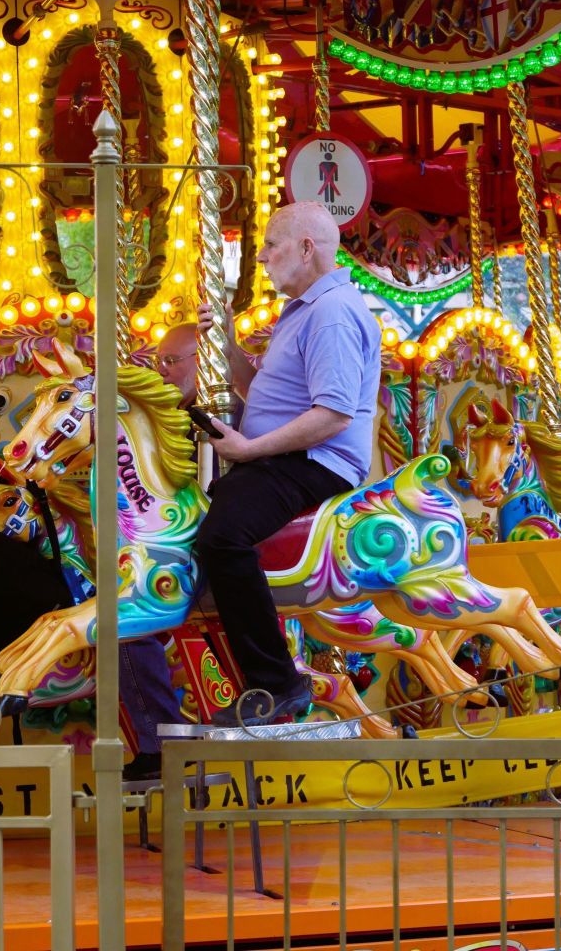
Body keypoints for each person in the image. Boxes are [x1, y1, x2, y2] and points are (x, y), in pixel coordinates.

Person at [195, 201, 381, 727]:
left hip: (312, 461)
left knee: (220, 538)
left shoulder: (332, 313)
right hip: (286, 456)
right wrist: (228, 346)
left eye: (271, 244)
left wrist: (250, 451)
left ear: (306, 248)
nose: (261, 256)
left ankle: (277, 685)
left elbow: (334, 414)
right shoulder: (302, 311)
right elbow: (258, 395)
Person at [119, 323, 199, 780]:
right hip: (170, 542)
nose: (162, 372)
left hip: (200, 544)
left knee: (130, 626)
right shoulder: (155, 419)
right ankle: (157, 739)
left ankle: (160, 742)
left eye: (172, 361)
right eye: (158, 362)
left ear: (201, 361)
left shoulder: (217, 413)